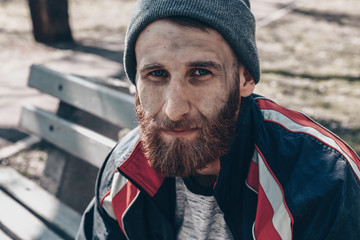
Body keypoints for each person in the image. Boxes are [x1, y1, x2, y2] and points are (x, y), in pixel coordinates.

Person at [76, 0, 360, 239]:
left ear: (245, 78)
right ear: (135, 83)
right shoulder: (124, 171)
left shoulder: (323, 182)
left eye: (200, 72)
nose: (174, 110)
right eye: (157, 74)